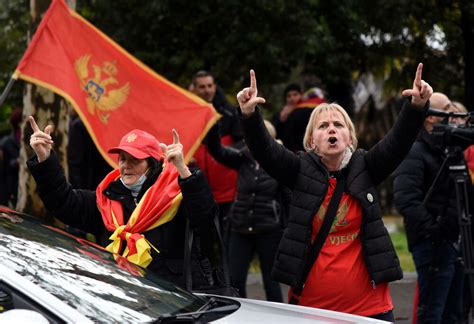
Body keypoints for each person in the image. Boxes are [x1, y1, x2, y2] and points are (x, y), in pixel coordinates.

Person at [236, 64, 431, 321]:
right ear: (311, 142)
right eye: (323, 125)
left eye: (338, 124)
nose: (331, 129)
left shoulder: (367, 166)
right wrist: (249, 115)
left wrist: (415, 108)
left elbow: (398, 142)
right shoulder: (299, 169)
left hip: (370, 308)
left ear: (349, 137)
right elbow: (266, 151)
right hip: (312, 310)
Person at [26, 116, 218, 287]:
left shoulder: (177, 194)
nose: (126, 165)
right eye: (122, 159)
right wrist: (45, 158)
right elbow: (63, 202)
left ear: (152, 164)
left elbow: (206, 221)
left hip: (180, 304)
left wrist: (183, 171)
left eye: (134, 159)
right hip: (124, 303)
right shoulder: (106, 200)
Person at [393, 92, 467, 323]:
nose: (453, 115)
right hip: (432, 244)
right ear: (431, 118)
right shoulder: (416, 152)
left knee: (454, 311)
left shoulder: (451, 151)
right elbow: (406, 199)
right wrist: (435, 231)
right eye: (447, 109)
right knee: (432, 310)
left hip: (453, 242)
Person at [206, 119, 290, 302]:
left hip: (270, 230)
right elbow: (217, 151)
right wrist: (212, 125)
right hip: (240, 228)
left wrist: (289, 229)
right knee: (235, 280)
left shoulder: (281, 162)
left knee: (271, 282)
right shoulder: (243, 158)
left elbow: (288, 199)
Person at [191, 70, 241, 259]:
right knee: (204, 244)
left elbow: (241, 148)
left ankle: (227, 284)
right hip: (201, 192)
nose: (206, 90)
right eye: (202, 86)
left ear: (215, 86)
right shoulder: (188, 112)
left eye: (210, 86)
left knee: (227, 245)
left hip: (228, 192)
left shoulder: (230, 112)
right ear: (194, 89)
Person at [67, 111, 112, 190]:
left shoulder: (115, 122)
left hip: (110, 185)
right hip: (90, 188)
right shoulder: (80, 125)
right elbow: (75, 164)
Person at [0, 107, 22, 207]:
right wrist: (16, 162)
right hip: (13, 185)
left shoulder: (31, 139)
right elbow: (4, 167)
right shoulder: (6, 142)